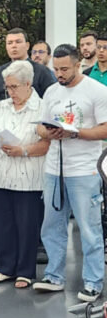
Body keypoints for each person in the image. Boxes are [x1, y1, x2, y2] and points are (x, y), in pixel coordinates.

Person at [33, 44, 107, 301]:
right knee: (51, 226)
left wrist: (75, 133)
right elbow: (39, 127)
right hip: (54, 168)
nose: (59, 74)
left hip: (84, 170)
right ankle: (54, 276)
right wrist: (48, 132)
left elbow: (105, 129)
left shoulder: (97, 91)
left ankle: (93, 281)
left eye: (64, 69)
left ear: (78, 65)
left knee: (88, 228)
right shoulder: (51, 91)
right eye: (55, 69)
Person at [0, 61, 48, 288]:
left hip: (28, 175)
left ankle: (26, 271)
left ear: (28, 84)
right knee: (3, 223)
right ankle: (4, 267)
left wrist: (24, 150)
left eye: (14, 87)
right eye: (7, 87)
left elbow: (47, 144)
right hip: (0, 173)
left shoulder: (42, 107)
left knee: (26, 224)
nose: (10, 92)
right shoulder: (2, 106)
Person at [0, 29, 56, 116]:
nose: (14, 46)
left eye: (18, 42)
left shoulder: (41, 71)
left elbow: (52, 101)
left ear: (27, 45)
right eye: (10, 43)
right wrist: (6, 109)